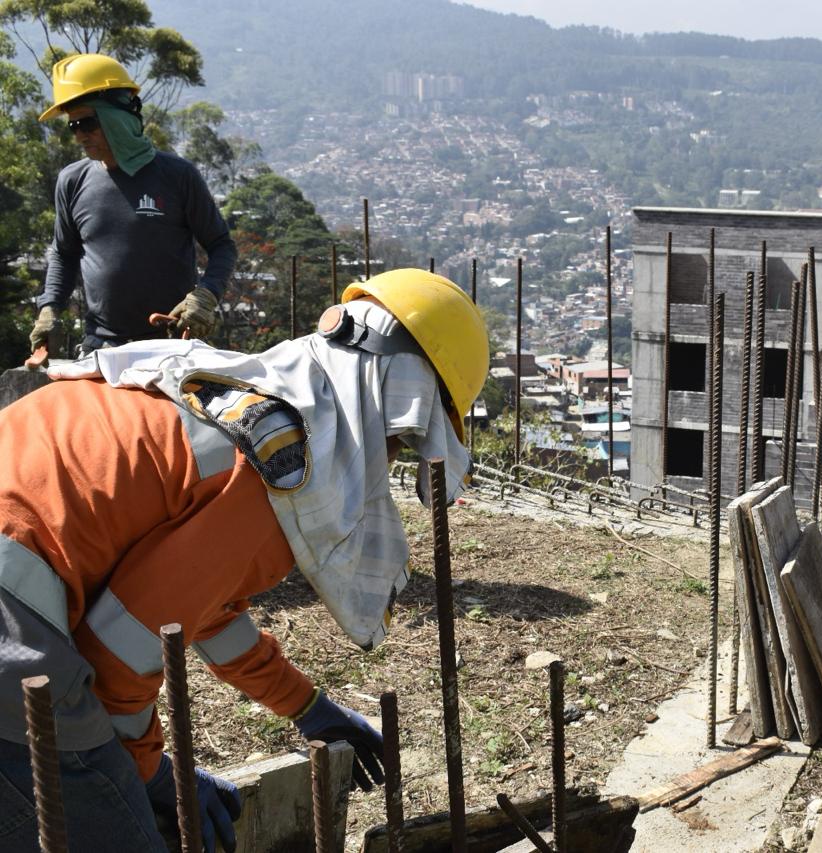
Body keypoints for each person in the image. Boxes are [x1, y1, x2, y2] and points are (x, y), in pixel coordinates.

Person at [0, 268, 489, 852]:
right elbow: (120, 654)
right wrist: (151, 772)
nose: (388, 459)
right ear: (395, 400)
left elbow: (198, 611)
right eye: (401, 441)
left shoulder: (219, 395)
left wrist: (305, 705)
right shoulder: (278, 469)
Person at [27, 53, 237, 362]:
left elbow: (222, 246)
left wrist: (205, 296)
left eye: (86, 122)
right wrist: (49, 309)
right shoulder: (72, 180)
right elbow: (63, 252)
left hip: (173, 345)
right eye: (73, 126)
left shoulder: (177, 176)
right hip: (100, 347)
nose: (79, 135)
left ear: (117, 116)